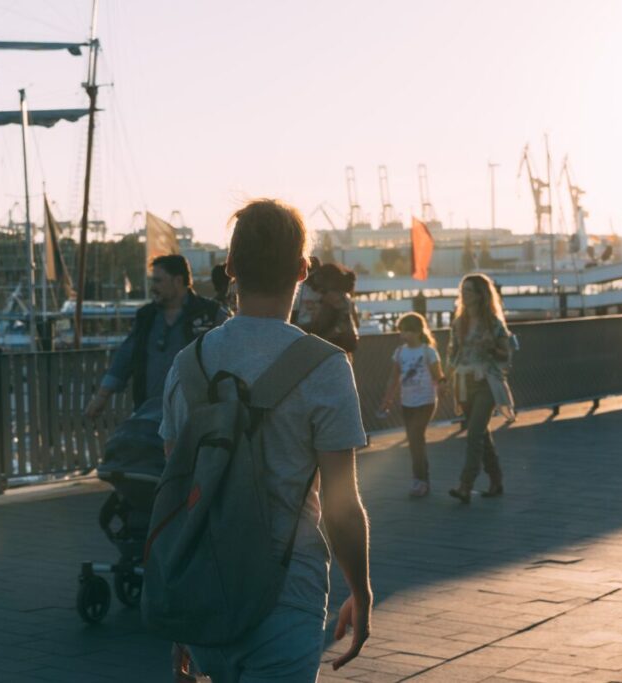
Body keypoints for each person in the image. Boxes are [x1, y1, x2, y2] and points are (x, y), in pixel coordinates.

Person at [159, 199, 372, 681]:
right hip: (285, 595)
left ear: (230, 267)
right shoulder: (324, 366)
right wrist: (360, 593)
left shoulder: (188, 365)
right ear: (301, 270)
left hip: (204, 590)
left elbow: (176, 495)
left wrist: (178, 612)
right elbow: (341, 506)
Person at [84, 255, 228, 418]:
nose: (153, 287)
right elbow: (125, 356)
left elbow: (232, 353)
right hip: (150, 412)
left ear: (178, 281)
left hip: (196, 415)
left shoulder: (210, 313)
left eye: (158, 281)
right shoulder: (147, 316)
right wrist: (102, 397)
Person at [445, 273, 516, 504]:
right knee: (481, 434)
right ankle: (496, 480)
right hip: (464, 383)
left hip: (486, 382)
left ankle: (465, 485)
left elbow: (506, 355)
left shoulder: (494, 324)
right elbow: (452, 353)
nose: (463, 295)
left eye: (468, 291)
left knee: (474, 434)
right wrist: (446, 378)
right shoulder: (459, 322)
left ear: (479, 295)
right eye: (462, 290)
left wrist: (492, 349)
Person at [379, 313, 446, 498]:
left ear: (418, 331)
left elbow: (438, 374)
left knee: (416, 438)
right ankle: (421, 479)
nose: (404, 335)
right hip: (407, 401)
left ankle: (421, 481)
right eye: (402, 331)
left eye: (407, 331)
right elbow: (393, 377)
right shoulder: (400, 352)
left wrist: (442, 385)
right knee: (415, 440)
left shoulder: (428, 351)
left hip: (426, 401)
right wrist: (387, 399)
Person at [305, 262, 360, 356]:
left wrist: (298, 327)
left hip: (333, 346)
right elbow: (357, 323)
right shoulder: (346, 297)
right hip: (347, 346)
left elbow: (319, 327)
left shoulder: (330, 299)